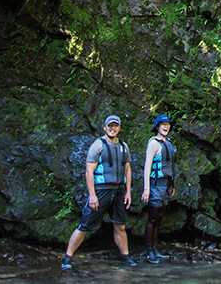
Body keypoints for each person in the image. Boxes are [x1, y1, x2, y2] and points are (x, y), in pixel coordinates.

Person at [61, 114, 137, 270]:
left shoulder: (123, 146)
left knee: (120, 225)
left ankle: (126, 257)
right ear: (104, 127)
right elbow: (89, 172)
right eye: (110, 126)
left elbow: (127, 169)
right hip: (101, 190)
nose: (112, 128)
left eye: (115, 126)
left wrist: (128, 191)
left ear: (119, 128)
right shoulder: (98, 145)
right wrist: (93, 195)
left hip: (118, 191)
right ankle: (67, 258)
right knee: (85, 225)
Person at [141, 114, 177, 264]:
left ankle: (155, 248)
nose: (165, 126)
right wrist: (146, 189)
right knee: (153, 217)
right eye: (162, 124)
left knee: (160, 218)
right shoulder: (154, 144)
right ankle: (149, 250)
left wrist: (173, 185)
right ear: (157, 127)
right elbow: (147, 167)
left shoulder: (168, 143)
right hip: (156, 185)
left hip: (166, 185)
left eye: (167, 124)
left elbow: (171, 166)